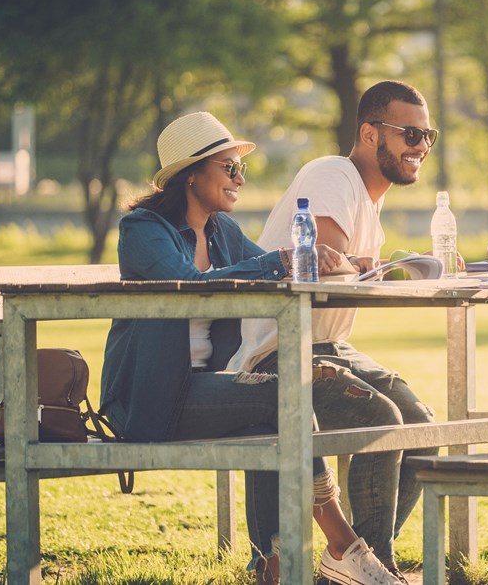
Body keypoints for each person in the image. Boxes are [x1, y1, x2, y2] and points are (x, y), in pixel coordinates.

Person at [99, 111, 405, 585]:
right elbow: (189, 283)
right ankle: (343, 546)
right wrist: (279, 261)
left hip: (203, 388)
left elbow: (268, 265)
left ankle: (273, 566)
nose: (240, 178)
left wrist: (344, 263)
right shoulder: (142, 229)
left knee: (273, 415)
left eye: (241, 169)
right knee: (284, 396)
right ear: (191, 173)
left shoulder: (219, 231)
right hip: (149, 399)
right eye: (229, 167)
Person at [228, 80, 439, 580]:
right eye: (410, 133)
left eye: (428, 135)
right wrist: (367, 266)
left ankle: (351, 563)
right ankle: (368, 565)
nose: (421, 146)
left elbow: (346, 266)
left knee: (422, 427)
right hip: (279, 350)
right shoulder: (332, 174)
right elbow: (323, 258)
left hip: (328, 345)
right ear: (370, 133)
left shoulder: (369, 201)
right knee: (381, 419)